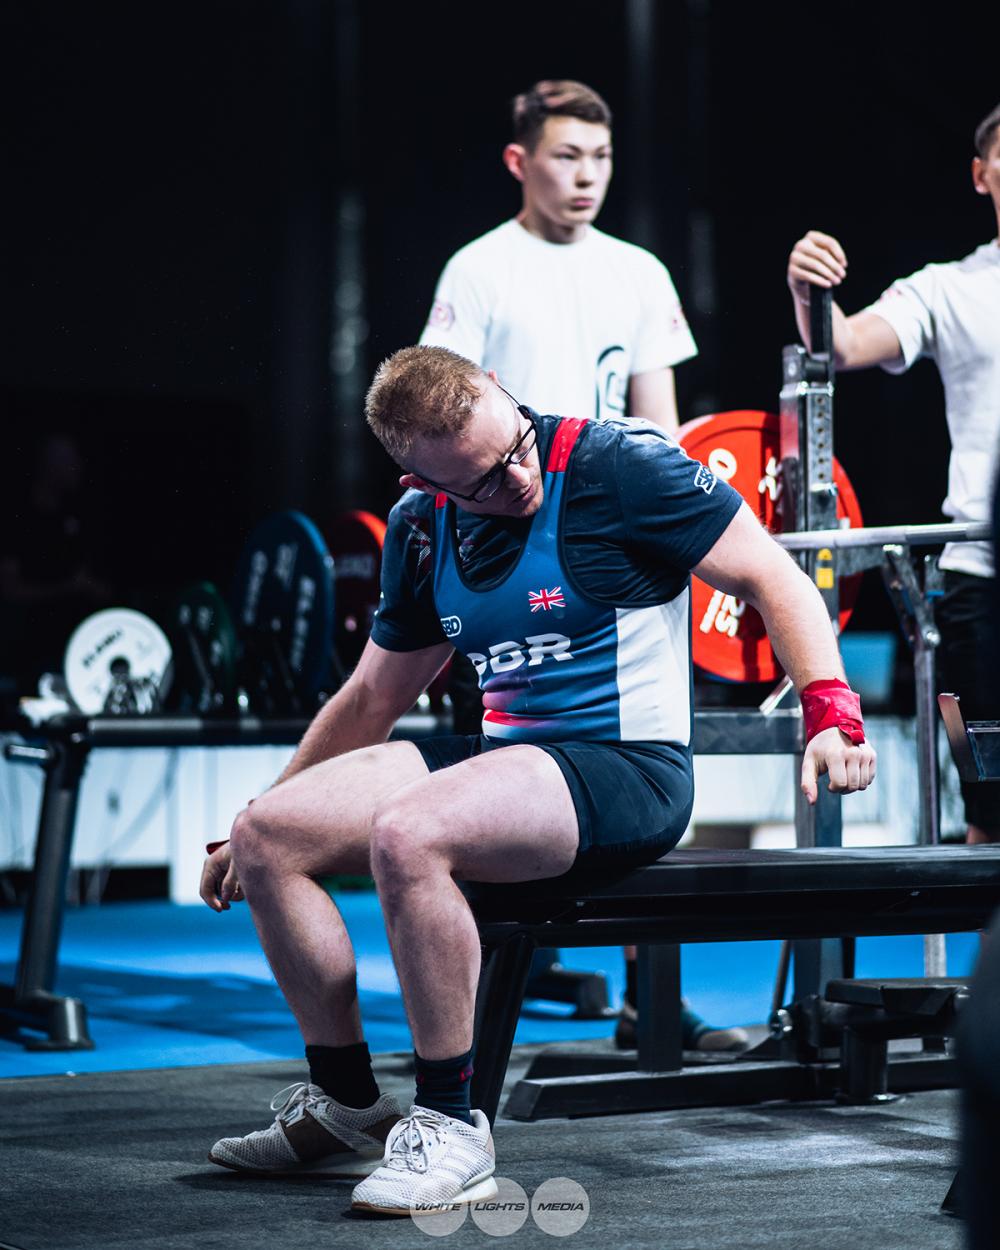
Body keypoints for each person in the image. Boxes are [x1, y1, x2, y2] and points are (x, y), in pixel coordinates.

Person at [200, 346, 876, 1213]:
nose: (515, 479)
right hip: (508, 764)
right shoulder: (419, 529)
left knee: (409, 833)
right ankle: (345, 1102)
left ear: (503, 397)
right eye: (480, 482)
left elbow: (771, 574)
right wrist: (255, 812)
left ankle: (451, 1124)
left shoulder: (616, 467)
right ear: (422, 480)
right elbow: (372, 695)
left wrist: (831, 711)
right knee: (268, 838)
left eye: (514, 446)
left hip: (628, 767)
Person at [419, 80, 737, 1049]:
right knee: (492, 777)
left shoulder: (638, 271)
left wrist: (679, 540)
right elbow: (435, 416)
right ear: (520, 161)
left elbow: (661, 424)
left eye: (598, 157)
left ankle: (651, 1000)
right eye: (566, 156)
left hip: (617, 549)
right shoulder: (477, 271)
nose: (586, 174)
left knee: (635, 761)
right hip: (505, 545)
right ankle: (465, 1023)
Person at [786, 101, 1000, 843]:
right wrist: (809, 287)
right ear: (982, 174)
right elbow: (840, 344)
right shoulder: (948, 287)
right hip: (985, 580)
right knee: (993, 822)